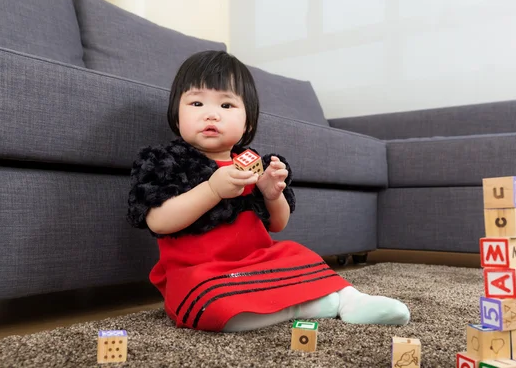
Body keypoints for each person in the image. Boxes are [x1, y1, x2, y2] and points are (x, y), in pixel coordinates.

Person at [126, 50, 410, 332]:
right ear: (177, 114)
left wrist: (273, 196)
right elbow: (158, 221)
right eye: (197, 102)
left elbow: (277, 225)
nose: (211, 114)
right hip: (199, 270)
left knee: (298, 254)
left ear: (248, 121)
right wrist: (212, 189)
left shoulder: (253, 163)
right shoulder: (166, 161)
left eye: (226, 106)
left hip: (258, 260)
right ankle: (314, 305)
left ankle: (352, 300)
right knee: (214, 309)